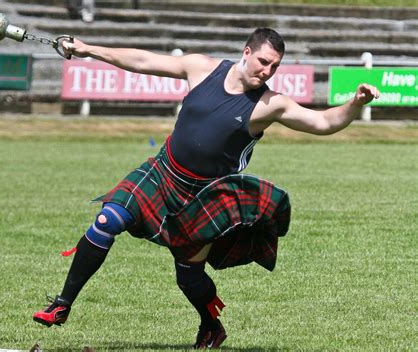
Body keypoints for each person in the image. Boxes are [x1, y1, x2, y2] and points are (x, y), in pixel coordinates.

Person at [32, 28, 379, 349]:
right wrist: (88, 49)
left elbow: (322, 122)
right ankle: (62, 305)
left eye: (274, 66)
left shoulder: (269, 104)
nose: (267, 71)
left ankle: (211, 324)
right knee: (107, 221)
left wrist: (355, 103)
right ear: (246, 52)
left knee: (188, 275)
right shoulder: (202, 68)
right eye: (263, 62)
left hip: (202, 198)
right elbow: (142, 61)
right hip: (161, 172)